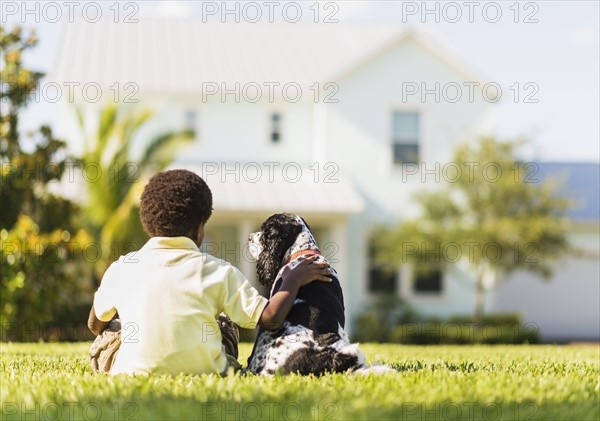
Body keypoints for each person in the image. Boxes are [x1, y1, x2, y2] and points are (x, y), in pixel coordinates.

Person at [87, 169, 331, 375]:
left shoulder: (122, 268)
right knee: (224, 322)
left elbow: (95, 324)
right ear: (199, 228)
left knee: (110, 332)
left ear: (147, 222)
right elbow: (270, 318)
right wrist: (293, 278)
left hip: (130, 373)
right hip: (209, 371)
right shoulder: (219, 271)